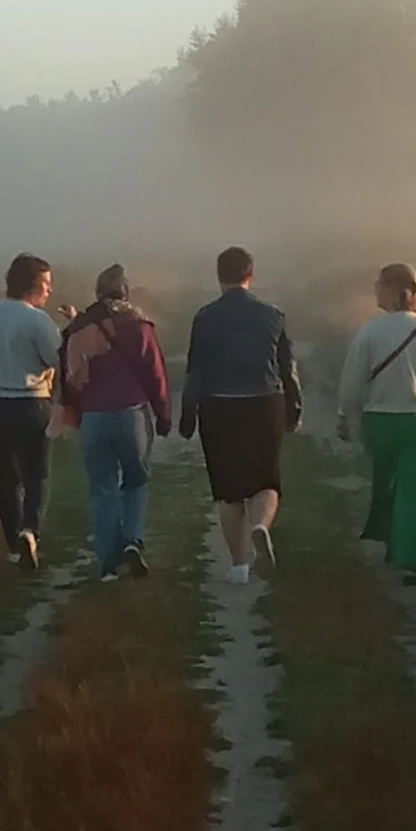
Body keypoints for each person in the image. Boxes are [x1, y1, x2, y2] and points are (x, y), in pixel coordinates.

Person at [179, 245, 301, 582]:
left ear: (219, 277)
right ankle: (261, 525)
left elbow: (196, 371)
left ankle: (238, 564)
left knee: (228, 489)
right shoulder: (273, 315)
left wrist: (188, 416)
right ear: (251, 275)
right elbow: (287, 369)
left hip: (219, 405)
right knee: (266, 480)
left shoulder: (204, 317)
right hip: (265, 402)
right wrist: (294, 407)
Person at [336, 262, 416, 579]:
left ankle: (392, 544)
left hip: (380, 420)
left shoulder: (370, 331)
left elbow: (354, 379)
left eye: (379, 286)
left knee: (387, 481)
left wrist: (345, 415)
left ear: (390, 291)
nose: (376, 291)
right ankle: (415, 561)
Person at [57, 261, 172, 582]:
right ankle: (133, 542)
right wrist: (163, 417)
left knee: (102, 490)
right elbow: (156, 374)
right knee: (135, 482)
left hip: (94, 419)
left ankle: (108, 565)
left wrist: (73, 414)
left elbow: (70, 380)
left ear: (97, 291)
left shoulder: (79, 328)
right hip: (132, 415)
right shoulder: (141, 325)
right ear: (126, 291)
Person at [0, 253, 62, 567]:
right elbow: (60, 360)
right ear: (33, 285)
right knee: (37, 476)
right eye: (46, 284)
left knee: (7, 477)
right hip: (30, 404)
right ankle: (30, 531)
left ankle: (12, 547)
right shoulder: (37, 320)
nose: (50, 291)